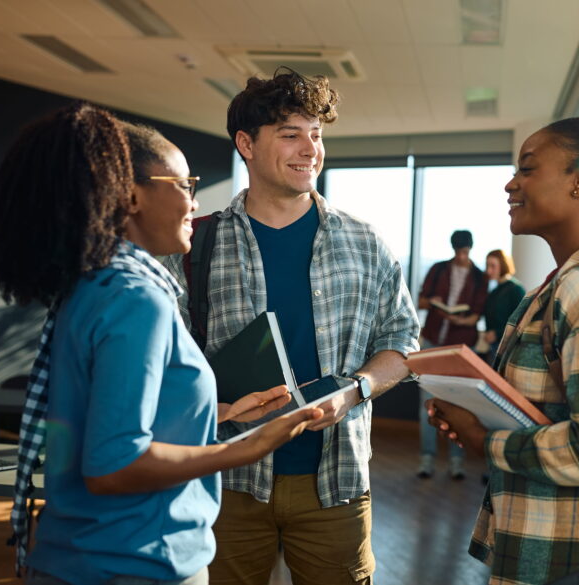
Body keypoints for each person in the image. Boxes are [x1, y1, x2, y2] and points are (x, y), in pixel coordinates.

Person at [0, 105, 321, 585]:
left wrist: (218, 415)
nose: (195, 203)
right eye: (185, 186)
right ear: (132, 196)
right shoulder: (138, 299)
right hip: (134, 563)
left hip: (79, 556)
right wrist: (248, 449)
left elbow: (103, 421)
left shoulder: (93, 286)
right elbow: (114, 467)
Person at [160, 68, 420, 585]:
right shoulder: (196, 246)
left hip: (336, 481)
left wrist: (355, 391)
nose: (310, 149)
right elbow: (166, 360)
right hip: (226, 477)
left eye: (317, 135)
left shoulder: (366, 244)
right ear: (246, 144)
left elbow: (401, 344)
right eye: (290, 134)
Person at [425, 117, 579, 585]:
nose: (510, 183)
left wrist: (484, 440)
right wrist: (474, 412)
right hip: (547, 547)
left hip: (575, 559)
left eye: (528, 169)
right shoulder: (562, 285)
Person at [415, 229, 488, 479]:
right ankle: (427, 459)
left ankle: (456, 462)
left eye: (465, 252)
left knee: (459, 403)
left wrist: (460, 319)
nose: (461, 256)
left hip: (460, 347)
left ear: (470, 249)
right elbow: (421, 301)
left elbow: (476, 315)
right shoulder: (438, 270)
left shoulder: (479, 277)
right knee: (427, 401)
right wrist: (433, 302)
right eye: (458, 252)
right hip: (433, 340)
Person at [482, 249, 526, 361]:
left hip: (508, 348)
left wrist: (497, 333)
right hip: (493, 347)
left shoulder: (516, 289)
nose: (488, 271)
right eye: (487, 266)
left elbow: (521, 321)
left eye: (493, 266)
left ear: (503, 265)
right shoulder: (494, 291)